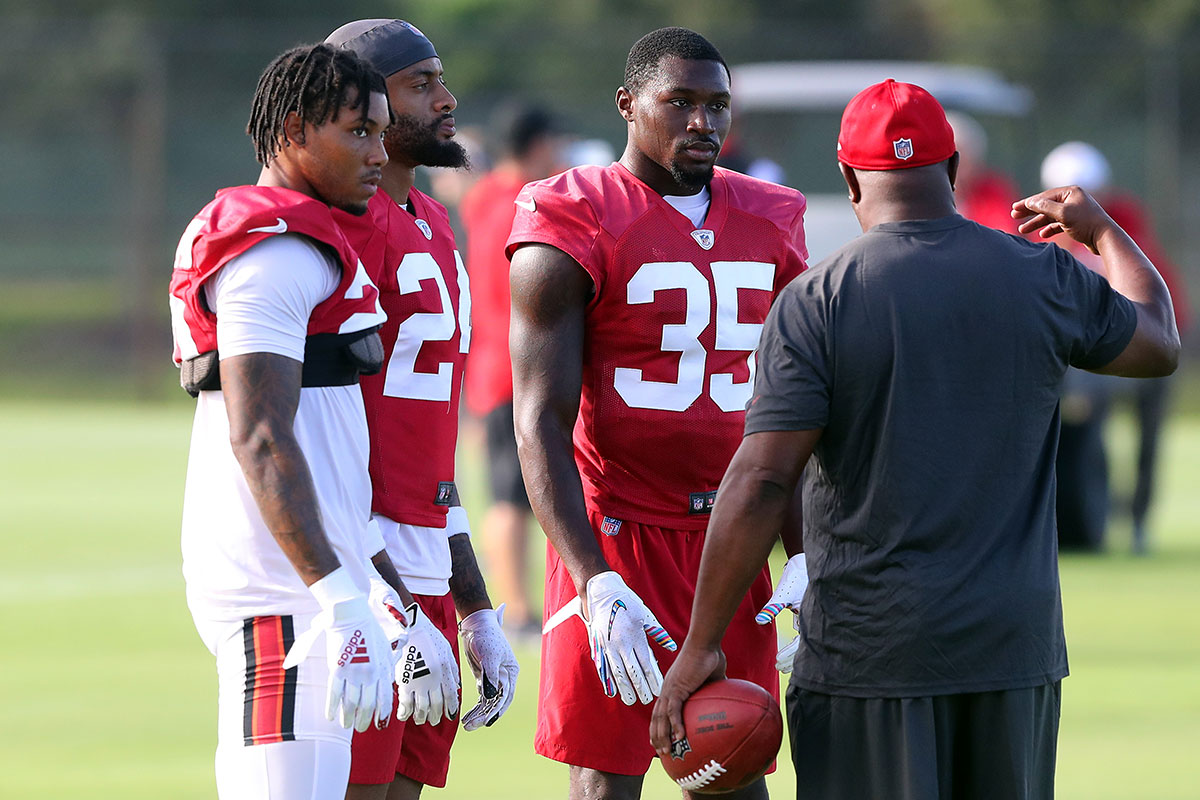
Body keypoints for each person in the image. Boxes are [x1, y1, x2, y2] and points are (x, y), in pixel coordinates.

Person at [652, 79, 1180, 799]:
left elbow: (761, 483)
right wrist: (1102, 233)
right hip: (1010, 652)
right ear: (955, 170)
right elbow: (1158, 343)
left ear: (847, 176)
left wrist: (701, 646)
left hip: (871, 658)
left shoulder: (816, 300)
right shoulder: (1042, 273)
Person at [507, 27, 809, 800]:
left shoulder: (773, 216)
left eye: (717, 105)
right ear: (628, 104)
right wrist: (590, 581)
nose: (702, 122)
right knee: (607, 780)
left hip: (732, 536)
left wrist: (807, 553)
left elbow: (797, 410)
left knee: (731, 767)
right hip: (621, 533)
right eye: (679, 102)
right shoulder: (572, 212)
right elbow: (540, 420)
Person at [170, 44, 399, 799]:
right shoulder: (271, 253)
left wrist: (372, 585)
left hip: (313, 585)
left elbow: (333, 445)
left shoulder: (309, 238)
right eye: (358, 131)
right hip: (283, 593)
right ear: (295, 130)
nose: (378, 151)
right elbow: (260, 435)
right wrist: (337, 594)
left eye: (381, 131)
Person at [324, 18, 520, 800]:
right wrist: (389, 600)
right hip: (362, 567)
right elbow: (319, 432)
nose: (448, 98)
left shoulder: (435, 220)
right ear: (363, 104)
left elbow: (433, 449)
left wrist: (473, 607)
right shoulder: (341, 228)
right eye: (422, 83)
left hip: (427, 560)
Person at [1041, 141, 1192, 553]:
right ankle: (1098, 515)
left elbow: (1144, 287)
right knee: (1090, 427)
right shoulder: (1044, 233)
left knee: (1149, 433)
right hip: (1100, 352)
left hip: (1155, 337)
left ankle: (1139, 521)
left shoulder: (1122, 220)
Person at [460, 105, 565, 637]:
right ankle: (518, 609)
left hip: (491, 363)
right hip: (512, 365)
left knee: (513, 493)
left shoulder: (485, 196)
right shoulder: (522, 203)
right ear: (539, 145)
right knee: (511, 496)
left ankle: (521, 606)